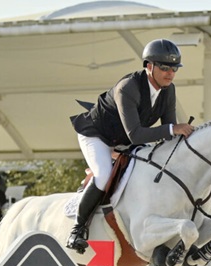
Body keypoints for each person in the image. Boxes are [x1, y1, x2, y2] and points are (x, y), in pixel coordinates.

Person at [64, 39, 195, 253]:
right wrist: (174, 129)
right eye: (164, 67)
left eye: (173, 68)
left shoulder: (168, 90)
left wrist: (185, 141)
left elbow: (168, 132)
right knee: (104, 173)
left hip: (124, 141)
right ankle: (77, 229)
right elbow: (137, 134)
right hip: (97, 135)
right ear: (149, 66)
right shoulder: (129, 87)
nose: (170, 73)